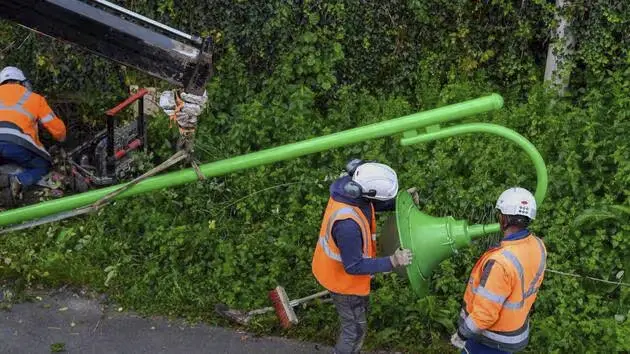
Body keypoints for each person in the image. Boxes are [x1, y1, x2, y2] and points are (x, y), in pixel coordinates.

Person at [311, 159, 414, 354]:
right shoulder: (347, 225)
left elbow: (372, 204)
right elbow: (354, 266)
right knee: (355, 332)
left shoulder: (350, 190)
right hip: (344, 282)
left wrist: (399, 201)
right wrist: (393, 261)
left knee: (355, 325)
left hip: (336, 272)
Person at [451, 187, 547, 354]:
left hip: (489, 339)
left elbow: (485, 314)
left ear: (504, 219)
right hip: (514, 332)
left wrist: (462, 334)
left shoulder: (501, 262)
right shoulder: (538, 245)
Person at [0, 66, 67, 200]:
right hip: (18, 143)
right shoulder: (34, 98)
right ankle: (18, 181)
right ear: (23, 82)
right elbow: (59, 131)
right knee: (43, 166)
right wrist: (61, 138)